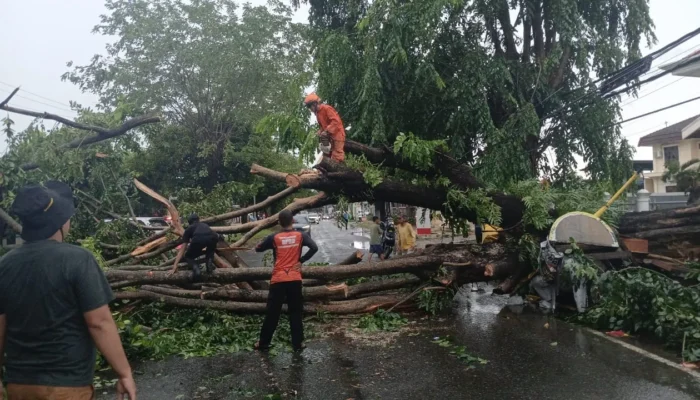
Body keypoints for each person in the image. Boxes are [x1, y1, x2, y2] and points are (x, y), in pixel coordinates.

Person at [0, 181, 136, 400]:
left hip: (19, 385)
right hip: (66, 386)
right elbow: (99, 322)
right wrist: (124, 373)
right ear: (60, 222)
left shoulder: (5, 265)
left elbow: (1, 327)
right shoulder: (78, 259)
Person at [254, 210, 318, 351]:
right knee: (295, 312)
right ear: (293, 221)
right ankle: (298, 343)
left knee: (272, 313)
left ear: (279, 223)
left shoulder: (274, 237)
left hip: (278, 280)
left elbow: (258, 248)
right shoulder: (301, 236)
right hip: (294, 279)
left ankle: (263, 343)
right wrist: (301, 260)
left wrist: (259, 243)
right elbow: (314, 247)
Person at [170, 213, 219, 280]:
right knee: (210, 250)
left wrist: (175, 265)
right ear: (198, 220)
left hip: (198, 239)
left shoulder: (189, 229)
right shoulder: (204, 225)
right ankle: (209, 263)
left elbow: (182, 249)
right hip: (213, 237)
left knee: (188, 256)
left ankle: (196, 269)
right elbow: (211, 235)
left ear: (189, 222)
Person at [303, 93, 346, 163]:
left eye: (310, 106)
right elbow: (323, 127)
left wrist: (326, 131)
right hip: (328, 136)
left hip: (337, 134)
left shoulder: (327, 108)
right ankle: (323, 167)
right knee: (325, 152)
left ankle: (336, 170)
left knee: (337, 155)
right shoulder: (317, 114)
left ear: (314, 104)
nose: (310, 109)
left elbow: (336, 121)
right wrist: (319, 132)